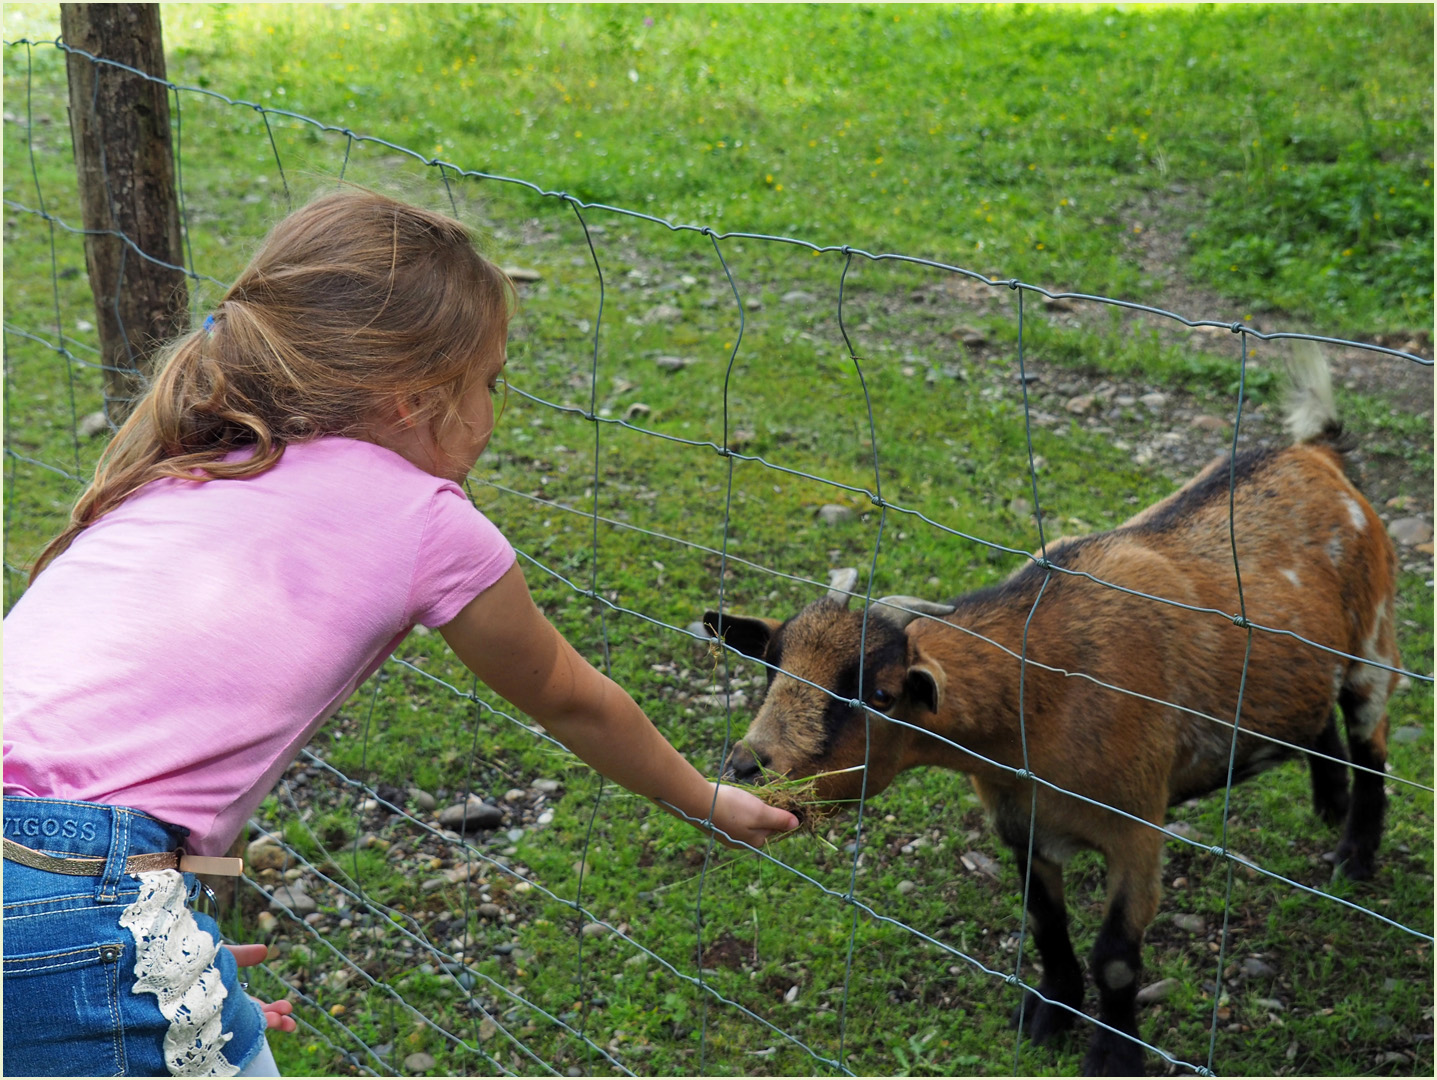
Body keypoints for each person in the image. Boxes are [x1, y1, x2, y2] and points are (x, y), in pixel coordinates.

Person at [2, 190, 798, 1077]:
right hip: (82, 901)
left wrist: (185, 956)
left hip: (80, 894)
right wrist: (707, 800)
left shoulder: (182, 475)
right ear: (417, 398)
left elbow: (170, 782)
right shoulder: (427, 522)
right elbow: (571, 699)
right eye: (490, 382)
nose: (496, 412)